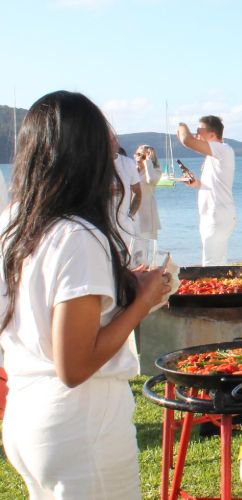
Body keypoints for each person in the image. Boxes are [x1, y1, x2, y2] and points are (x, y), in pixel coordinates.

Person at [0, 91, 171, 499]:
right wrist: (143, 301)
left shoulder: (15, 221)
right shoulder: (78, 235)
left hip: (27, 415)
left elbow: (35, 305)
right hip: (80, 426)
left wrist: (120, 284)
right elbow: (74, 366)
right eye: (107, 148)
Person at [176, 115, 236, 266]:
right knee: (217, 263)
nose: (196, 134)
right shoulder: (214, 155)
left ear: (212, 134)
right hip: (215, 214)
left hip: (216, 215)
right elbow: (212, 184)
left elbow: (186, 140)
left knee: (210, 265)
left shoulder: (222, 149)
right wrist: (196, 183)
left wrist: (181, 124)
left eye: (199, 130)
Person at [112, 139, 142, 244]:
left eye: (114, 139)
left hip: (124, 227)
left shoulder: (128, 163)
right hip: (100, 227)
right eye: (110, 140)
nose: (115, 143)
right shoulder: (92, 164)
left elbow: (138, 192)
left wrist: (130, 215)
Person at [133, 145, 162, 240]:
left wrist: (148, 163)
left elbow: (150, 180)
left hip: (146, 215)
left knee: (143, 249)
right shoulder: (131, 170)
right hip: (130, 214)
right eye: (138, 154)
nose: (140, 158)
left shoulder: (156, 171)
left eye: (144, 156)